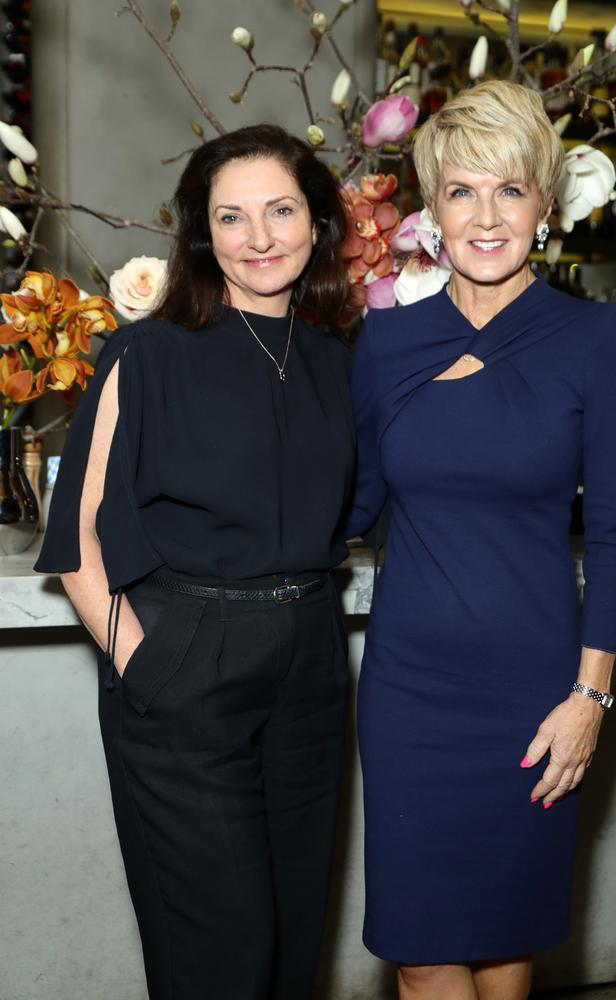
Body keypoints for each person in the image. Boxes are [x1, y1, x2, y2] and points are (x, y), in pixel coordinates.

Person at [35, 124, 355, 1000]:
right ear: (201, 236)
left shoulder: (335, 361)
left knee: (294, 953)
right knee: (223, 955)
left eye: (281, 210)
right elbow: (78, 535)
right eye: (231, 217)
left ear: (319, 220)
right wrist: (139, 655)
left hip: (312, 664)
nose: (259, 238)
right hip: (187, 659)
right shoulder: (149, 351)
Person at [347, 80, 616, 1000]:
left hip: (537, 695)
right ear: (431, 208)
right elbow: (350, 504)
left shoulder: (592, 335)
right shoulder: (387, 342)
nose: (485, 215)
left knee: (508, 948)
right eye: (462, 190)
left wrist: (591, 696)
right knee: (424, 954)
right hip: (410, 694)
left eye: (509, 189)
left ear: (544, 207)